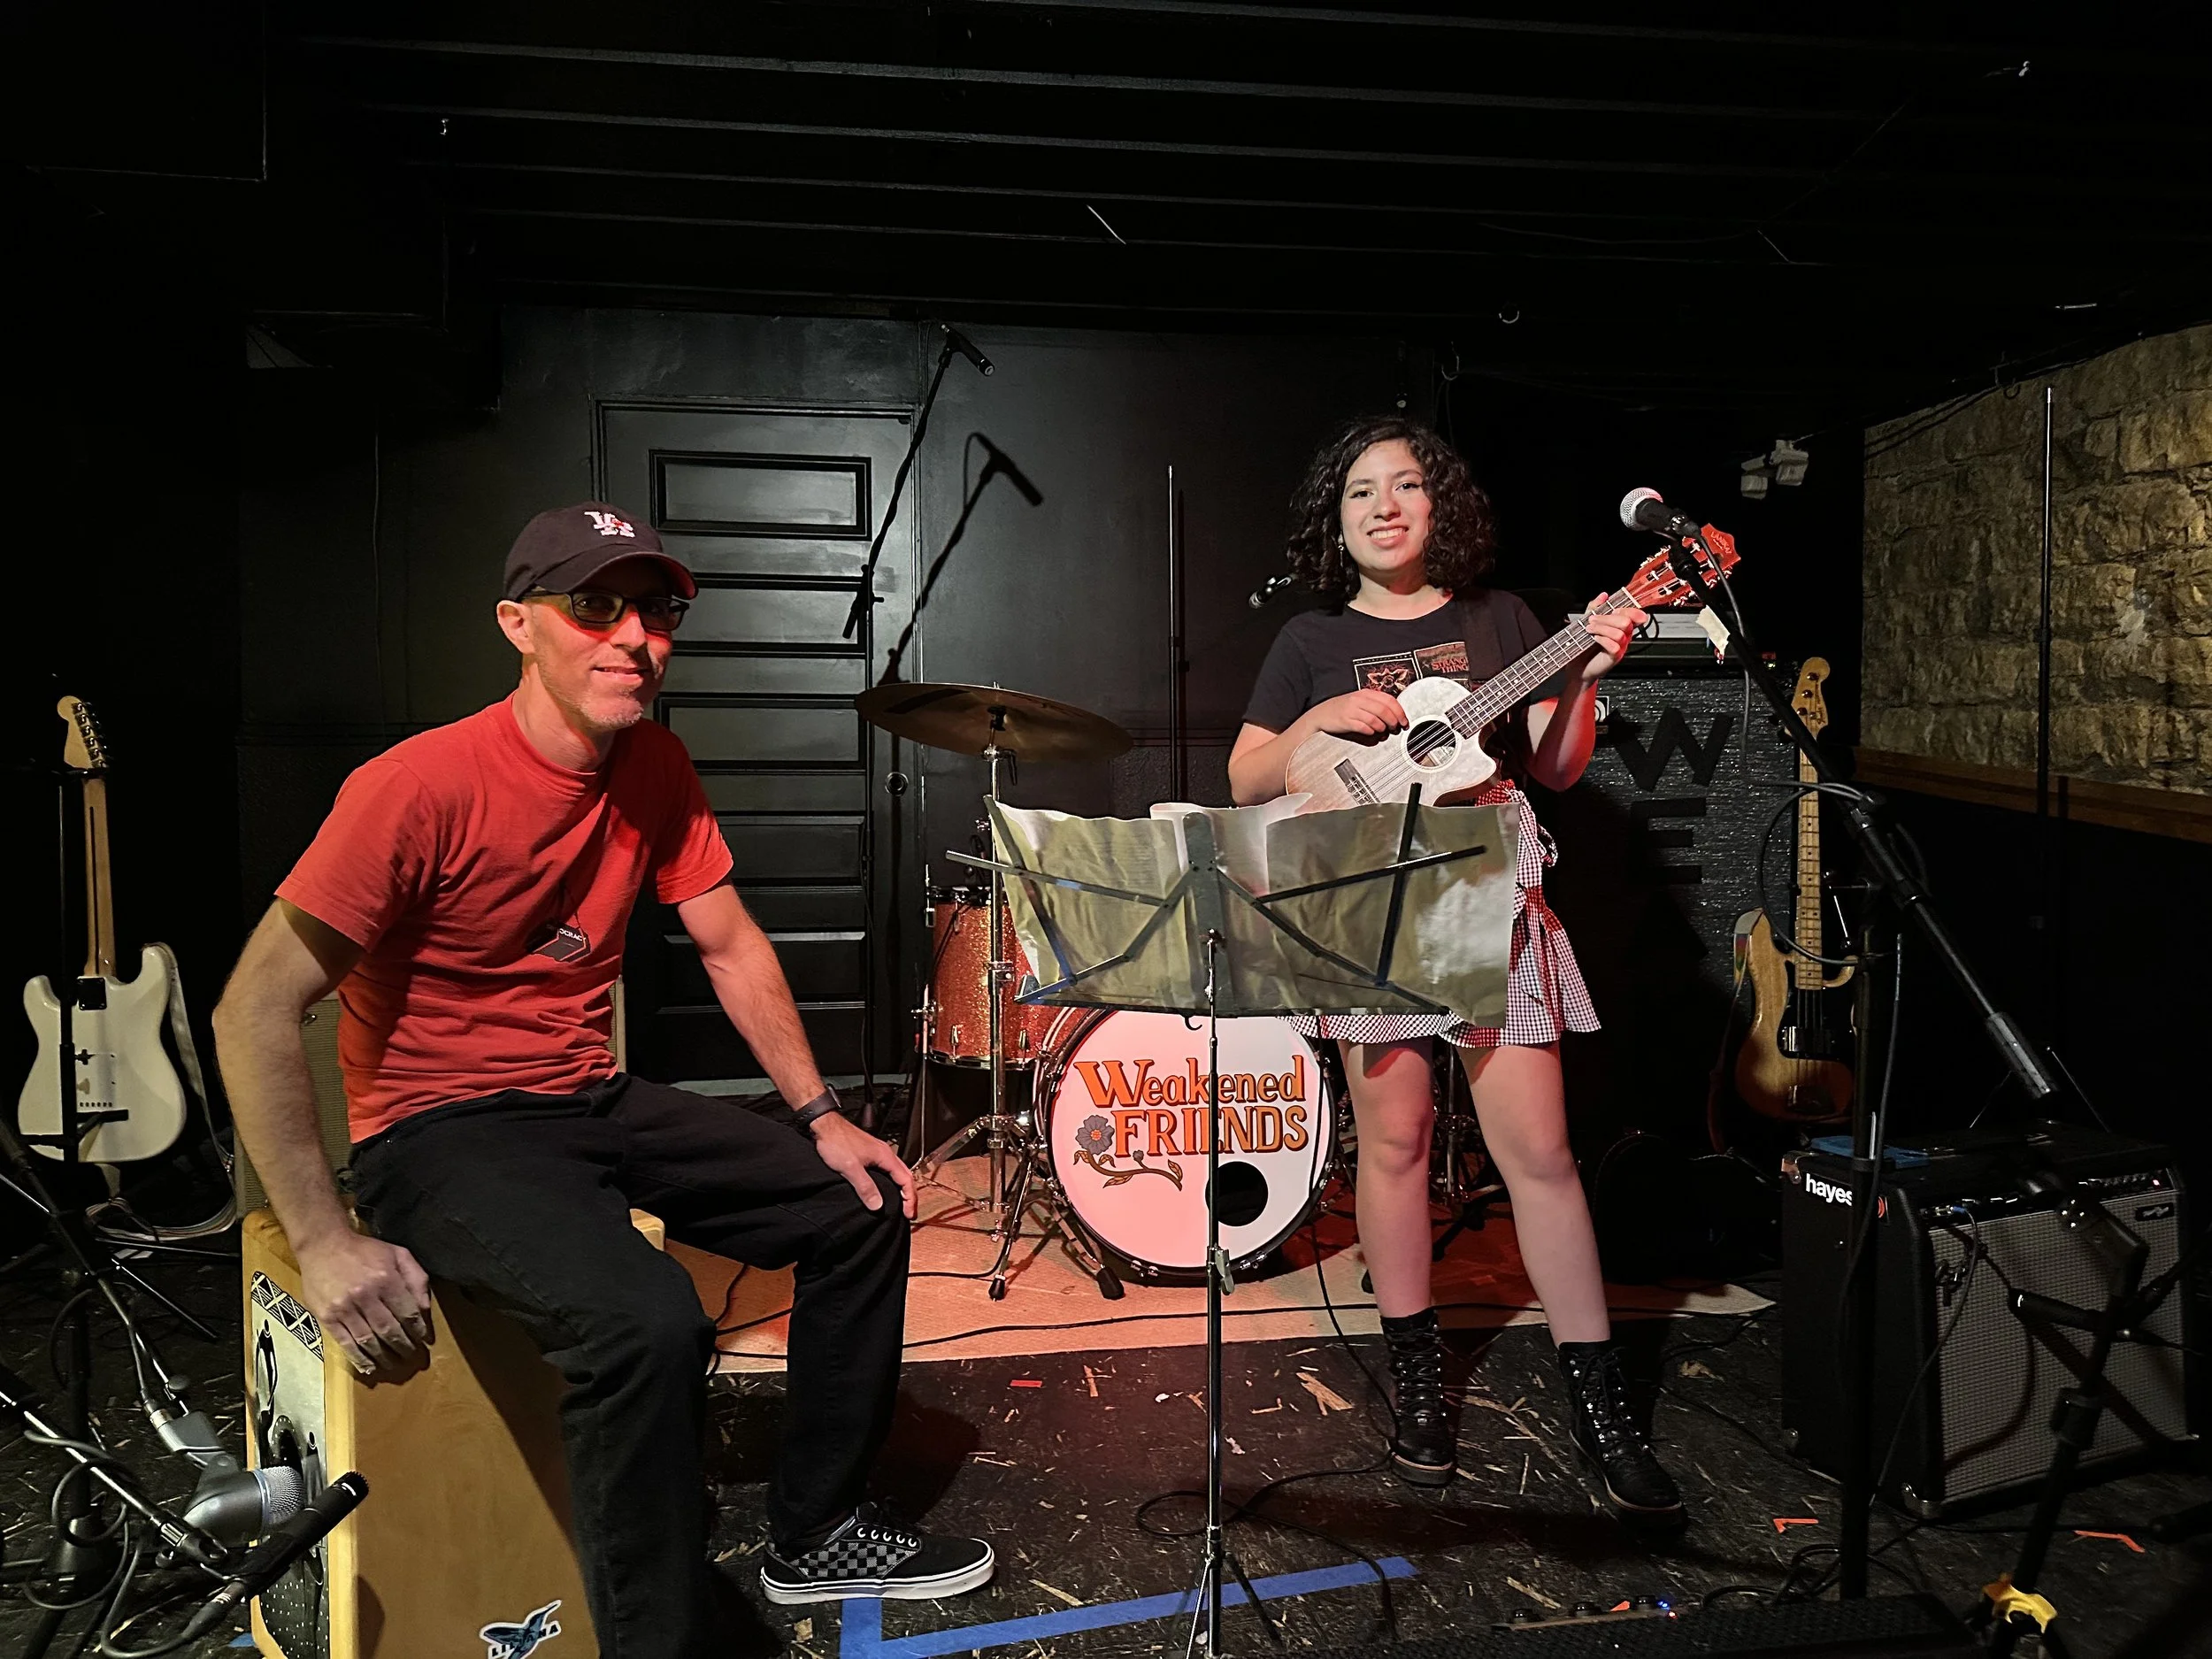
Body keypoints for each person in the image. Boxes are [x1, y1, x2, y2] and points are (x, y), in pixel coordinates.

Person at [212, 503, 994, 1656]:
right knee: (648, 1322)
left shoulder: (654, 766)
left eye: (657, 610)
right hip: (439, 1128)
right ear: (518, 624)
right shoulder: (415, 785)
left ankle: (816, 1529)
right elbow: (251, 1007)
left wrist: (822, 1115)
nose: (635, 636)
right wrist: (325, 1239)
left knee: (861, 1203)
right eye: (595, 606)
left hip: (587, 1096)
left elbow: (729, 943)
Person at [1228, 418, 1681, 1521]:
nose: (1383, 506)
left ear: (1440, 505)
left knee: (1542, 1156)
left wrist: (1585, 676)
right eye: (1360, 492)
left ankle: (1602, 1409)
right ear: (1336, 520)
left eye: (1406, 486)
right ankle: (1420, 1388)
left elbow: (1557, 767)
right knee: (1392, 1146)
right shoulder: (1310, 639)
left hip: (1489, 893)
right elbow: (1246, 779)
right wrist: (1319, 718)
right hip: (1366, 905)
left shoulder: (1500, 620)